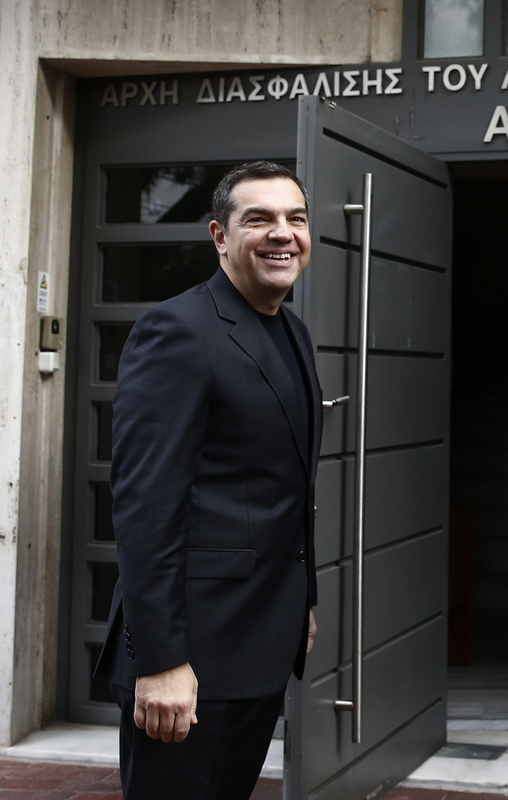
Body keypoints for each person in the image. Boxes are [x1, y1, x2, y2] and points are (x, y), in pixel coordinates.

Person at [95, 161, 322, 800]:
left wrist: (301, 599)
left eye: (296, 218)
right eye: (259, 219)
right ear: (220, 236)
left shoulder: (292, 331)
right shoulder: (177, 331)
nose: (283, 234)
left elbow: (285, 488)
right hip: (190, 656)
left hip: (260, 642)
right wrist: (162, 661)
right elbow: (146, 508)